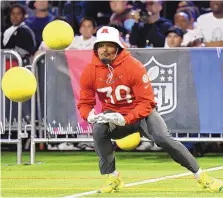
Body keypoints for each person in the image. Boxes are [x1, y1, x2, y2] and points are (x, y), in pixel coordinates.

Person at [77, 26, 223, 193]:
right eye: (100, 45)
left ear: (118, 46)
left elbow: (146, 103)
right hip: (114, 115)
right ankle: (112, 177)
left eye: (108, 45)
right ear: (96, 48)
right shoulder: (90, 71)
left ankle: (201, 176)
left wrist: (126, 118)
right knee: (98, 129)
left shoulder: (133, 66)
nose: (104, 49)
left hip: (142, 115)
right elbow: (85, 103)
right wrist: (88, 115)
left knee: (163, 138)